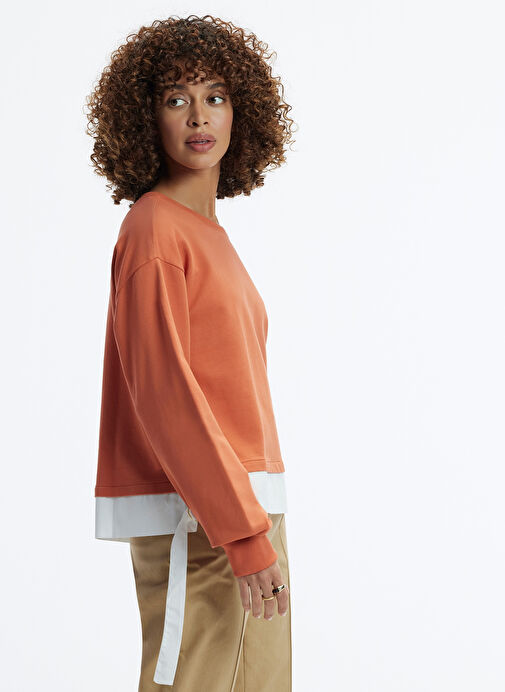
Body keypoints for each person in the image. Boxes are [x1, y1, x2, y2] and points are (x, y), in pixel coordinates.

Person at [85, 14, 296, 691]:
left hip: (248, 508)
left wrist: (256, 525)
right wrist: (240, 532)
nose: (199, 116)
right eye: (176, 98)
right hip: (199, 517)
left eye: (216, 96)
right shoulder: (153, 229)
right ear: (144, 118)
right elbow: (163, 392)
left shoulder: (210, 235)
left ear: (242, 112)